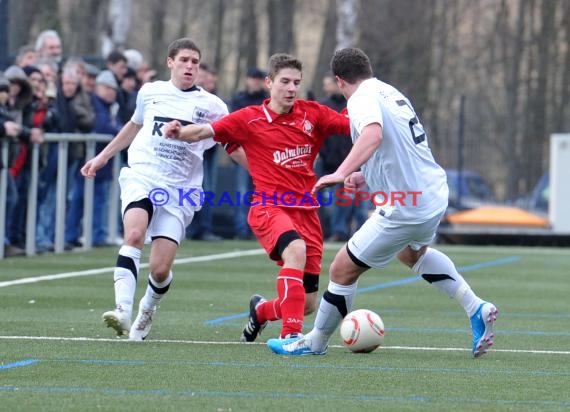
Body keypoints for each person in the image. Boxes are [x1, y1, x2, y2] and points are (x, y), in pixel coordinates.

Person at [267, 48, 499, 358]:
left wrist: (341, 171)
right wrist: (366, 174)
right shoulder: (388, 91)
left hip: (406, 206)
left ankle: (314, 342)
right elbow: (398, 146)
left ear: (339, 81)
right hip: (431, 193)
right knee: (412, 254)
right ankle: (476, 308)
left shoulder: (361, 98)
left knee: (341, 270)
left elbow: (373, 136)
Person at [164, 53, 350, 342]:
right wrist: (178, 132)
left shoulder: (313, 113)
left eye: (296, 83)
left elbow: (352, 124)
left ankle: (261, 312)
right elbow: (204, 131)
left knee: (308, 305)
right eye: (284, 82)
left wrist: (372, 104)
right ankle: (291, 337)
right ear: (269, 83)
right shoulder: (249, 119)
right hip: (269, 207)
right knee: (295, 251)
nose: (291, 89)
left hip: (307, 211)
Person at [81, 38, 241, 340]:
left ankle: (147, 308)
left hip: (180, 189)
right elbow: (134, 125)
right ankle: (122, 311)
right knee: (134, 234)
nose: (190, 66)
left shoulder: (214, 106)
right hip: (143, 175)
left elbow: (230, 145)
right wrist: (103, 156)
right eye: (184, 60)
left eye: (195, 61)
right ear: (170, 62)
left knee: (159, 269)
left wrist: (265, 171)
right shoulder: (150, 92)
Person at [317, 73, 367, 241]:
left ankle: (362, 233)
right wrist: (327, 157)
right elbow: (320, 136)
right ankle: (339, 231)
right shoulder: (323, 106)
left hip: (357, 164)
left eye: (327, 84)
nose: (325, 88)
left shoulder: (354, 105)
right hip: (334, 164)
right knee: (338, 201)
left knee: (360, 201)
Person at [229, 67, 268, 240]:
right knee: (242, 192)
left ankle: (260, 229)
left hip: (263, 154)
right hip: (242, 152)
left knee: (261, 194)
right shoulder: (238, 99)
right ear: (248, 80)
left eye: (259, 79)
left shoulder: (266, 100)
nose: (256, 82)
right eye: (253, 78)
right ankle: (241, 229)